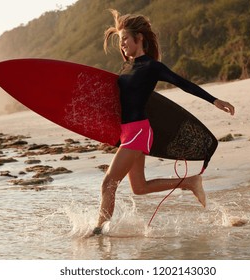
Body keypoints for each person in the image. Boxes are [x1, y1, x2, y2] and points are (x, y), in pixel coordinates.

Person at [92, 9, 235, 235]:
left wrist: (214, 100)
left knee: (108, 183)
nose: (123, 45)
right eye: (121, 41)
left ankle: (99, 231)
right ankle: (189, 182)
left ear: (139, 38)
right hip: (126, 132)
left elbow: (183, 83)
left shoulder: (152, 67)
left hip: (139, 131)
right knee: (139, 188)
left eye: (125, 39)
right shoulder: (126, 67)